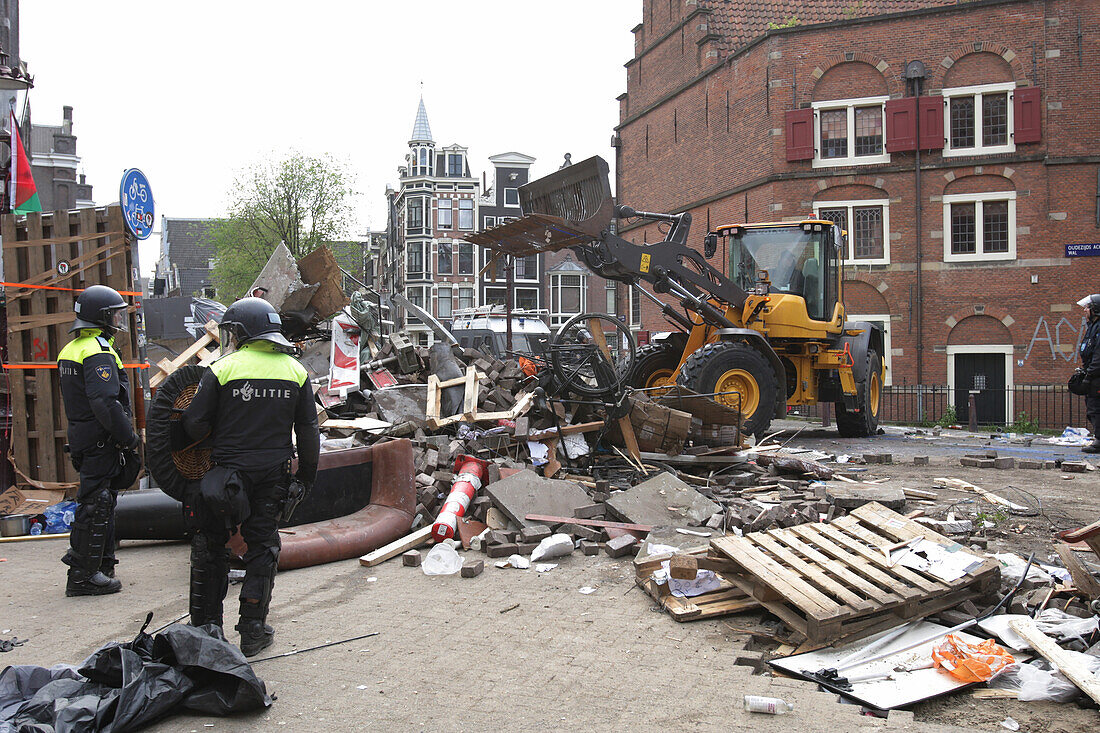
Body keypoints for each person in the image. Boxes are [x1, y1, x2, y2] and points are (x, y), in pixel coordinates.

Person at [180, 297, 319, 656]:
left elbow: (194, 423)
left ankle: (207, 630)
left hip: (226, 474)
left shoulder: (223, 368)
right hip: (273, 474)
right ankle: (254, 630)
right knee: (264, 547)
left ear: (241, 333)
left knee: (210, 546)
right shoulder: (296, 371)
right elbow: (307, 431)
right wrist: (305, 477)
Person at [57, 285, 140, 596]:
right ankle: (82, 575)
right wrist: (128, 437)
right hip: (99, 440)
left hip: (83, 435)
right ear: (103, 317)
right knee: (96, 504)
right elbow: (105, 403)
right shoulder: (97, 351)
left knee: (101, 502)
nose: (119, 319)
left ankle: (101, 565)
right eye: (116, 313)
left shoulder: (72, 349)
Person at [1078, 294, 1100, 453]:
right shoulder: (1092, 325)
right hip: (1092, 374)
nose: (1085, 310)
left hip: (1097, 377)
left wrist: (1090, 374)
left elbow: (1098, 355)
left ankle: (1099, 441)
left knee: (1095, 407)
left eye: (1087, 308)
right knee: (1092, 406)